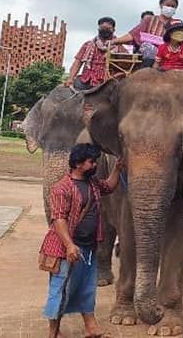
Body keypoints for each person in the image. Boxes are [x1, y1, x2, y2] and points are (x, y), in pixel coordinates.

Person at [40, 143, 123, 338]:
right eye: (91, 162)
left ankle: (91, 328)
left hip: (89, 247)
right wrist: (69, 245)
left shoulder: (92, 184)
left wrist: (118, 168)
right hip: (66, 249)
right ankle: (54, 331)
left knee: (87, 288)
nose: (94, 165)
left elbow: (109, 186)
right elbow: (58, 218)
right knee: (60, 289)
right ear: (78, 164)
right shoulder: (62, 188)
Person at [112, 0, 182, 66]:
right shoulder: (149, 20)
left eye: (173, 6)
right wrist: (113, 41)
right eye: (167, 5)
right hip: (150, 55)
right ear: (161, 5)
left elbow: (182, 41)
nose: (170, 8)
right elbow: (133, 35)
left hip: (171, 54)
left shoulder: (178, 23)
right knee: (148, 47)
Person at [64, 17, 128, 90]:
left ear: (113, 30)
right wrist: (70, 78)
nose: (105, 31)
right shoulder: (88, 45)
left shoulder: (119, 47)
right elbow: (77, 62)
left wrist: (117, 76)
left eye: (108, 29)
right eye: (103, 28)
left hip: (108, 83)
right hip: (86, 81)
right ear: (98, 29)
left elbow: (127, 66)